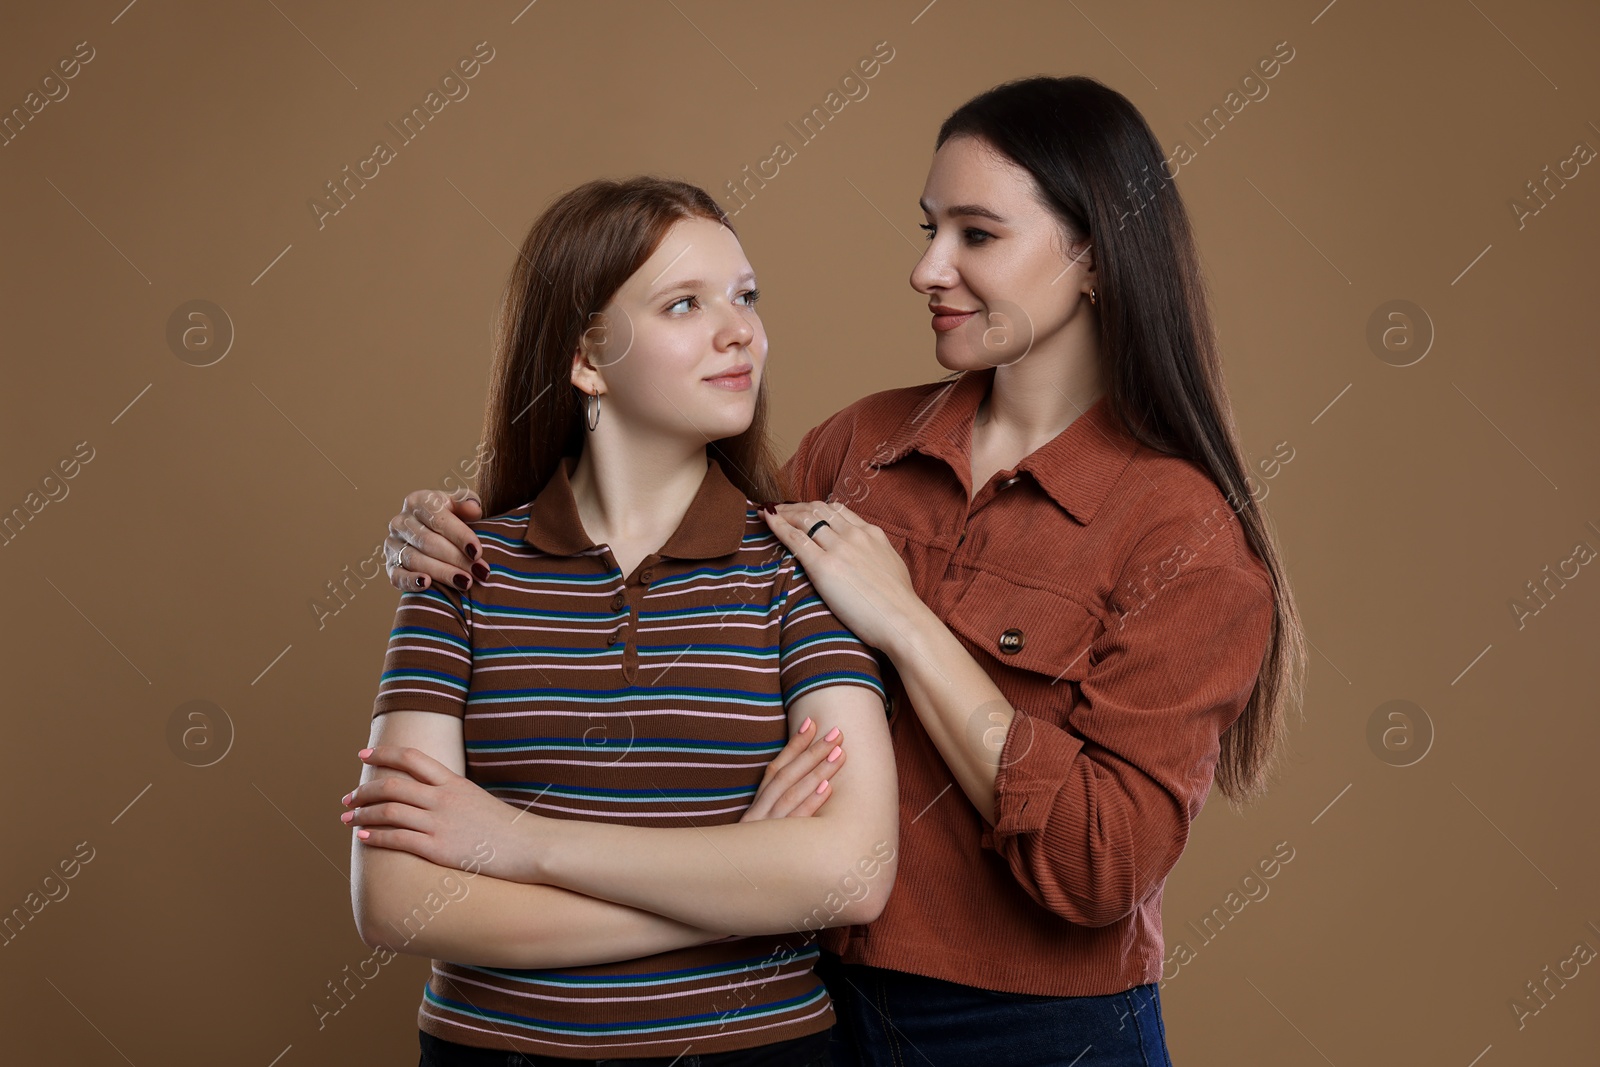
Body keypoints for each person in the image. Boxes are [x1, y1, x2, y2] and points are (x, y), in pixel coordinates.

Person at [373, 76, 1307, 1067]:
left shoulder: (1183, 534)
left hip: (1028, 1030)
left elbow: (1097, 864)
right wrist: (439, 530)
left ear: (1093, 259)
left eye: (975, 235)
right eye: (927, 228)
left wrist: (908, 625)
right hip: (803, 1002)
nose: (926, 269)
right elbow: (664, 547)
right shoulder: (854, 448)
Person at [341, 175, 899, 1066]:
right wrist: (733, 877)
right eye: (685, 303)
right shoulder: (458, 567)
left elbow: (853, 874)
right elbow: (399, 899)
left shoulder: (803, 569)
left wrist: (513, 841)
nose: (740, 330)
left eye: (746, 297)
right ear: (588, 357)